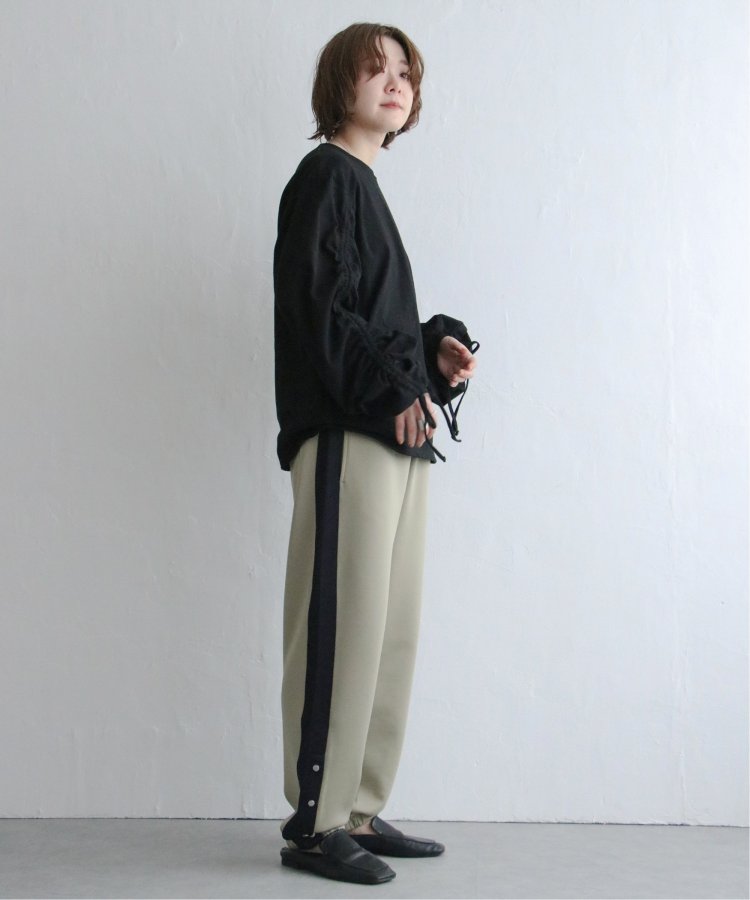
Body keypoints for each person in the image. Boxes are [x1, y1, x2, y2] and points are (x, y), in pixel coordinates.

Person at [272, 22, 478, 886]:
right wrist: (393, 388)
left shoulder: (363, 186)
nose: (395, 82)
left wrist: (431, 355)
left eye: (406, 73)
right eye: (376, 68)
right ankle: (315, 823)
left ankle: (356, 807)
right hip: (350, 437)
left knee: (389, 629)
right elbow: (319, 311)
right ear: (339, 83)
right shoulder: (325, 176)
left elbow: (370, 320)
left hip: (396, 438)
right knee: (341, 626)